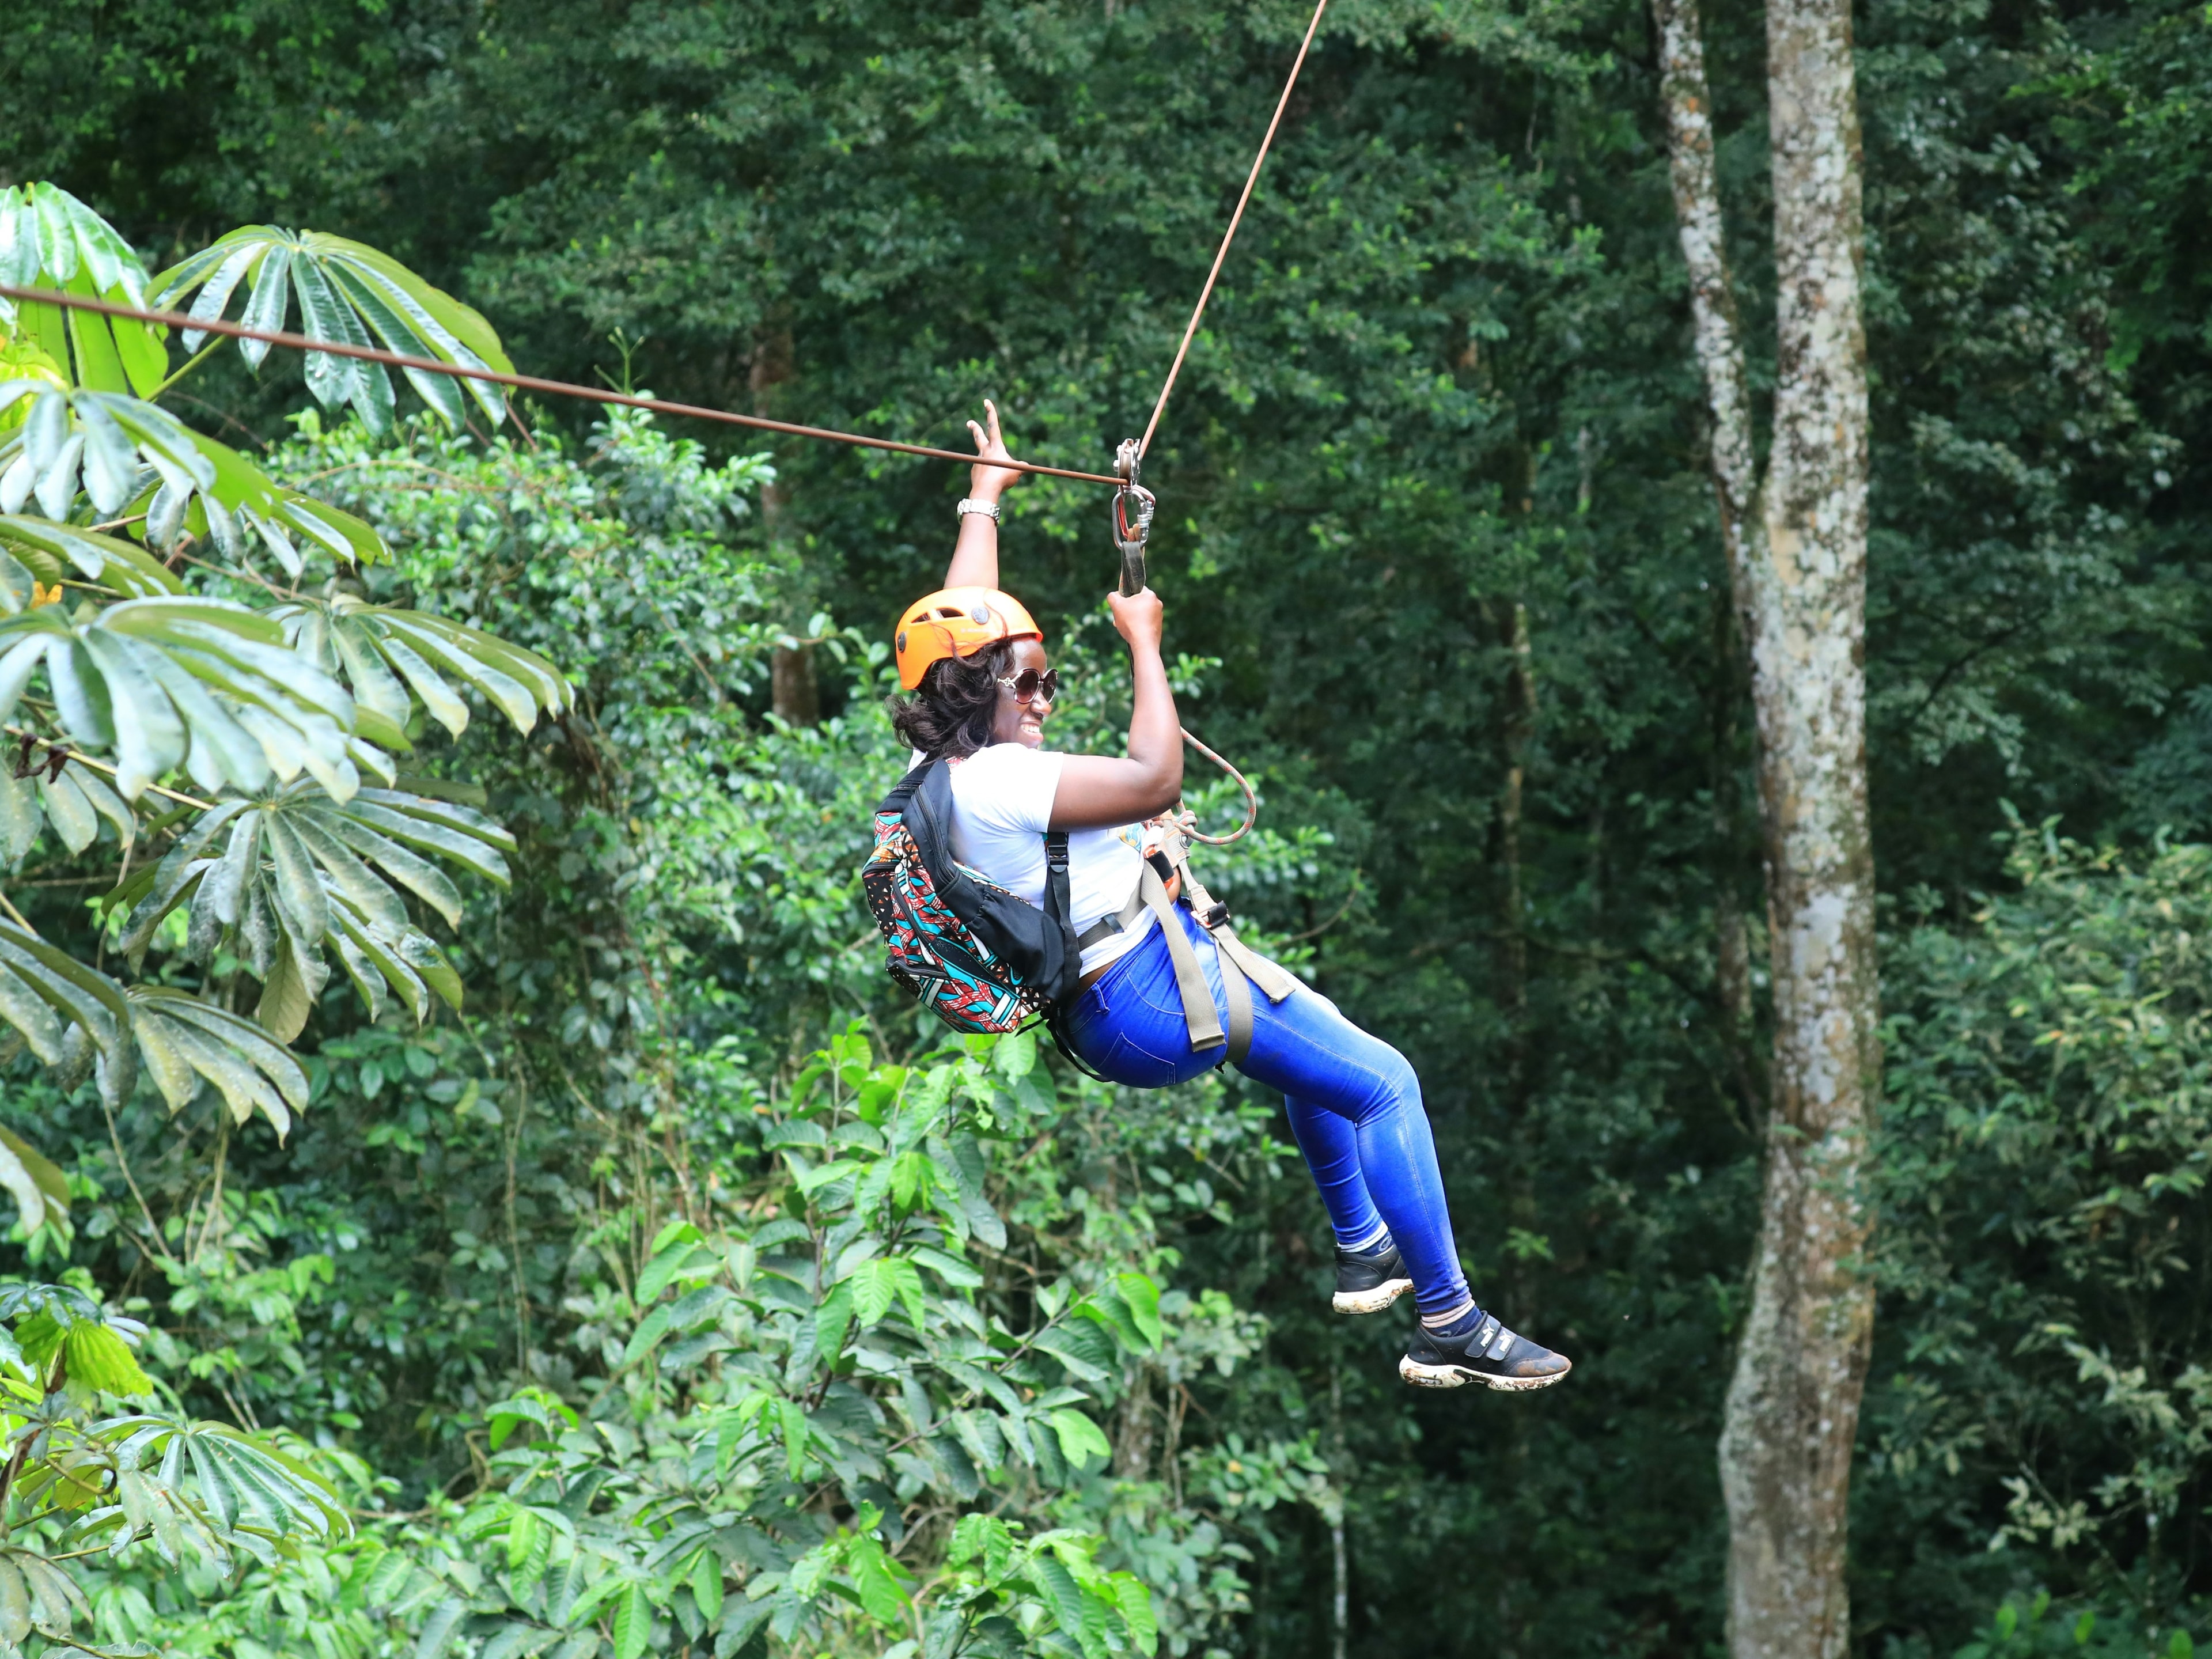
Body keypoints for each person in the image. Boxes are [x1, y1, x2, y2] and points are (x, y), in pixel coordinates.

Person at [884, 403, 1571, 1392]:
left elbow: (963, 610)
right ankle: (1450, 1322)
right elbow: (1156, 777)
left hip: (1119, 997)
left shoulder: (938, 761)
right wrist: (1144, 639)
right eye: (1027, 682)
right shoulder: (1003, 780)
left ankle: (1361, 1248)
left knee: (1319, 1041)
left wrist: (982, 498)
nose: (1043, 697)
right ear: (973, 691)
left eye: (1043, 677)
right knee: (1385, 1083)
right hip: (1146, 993)